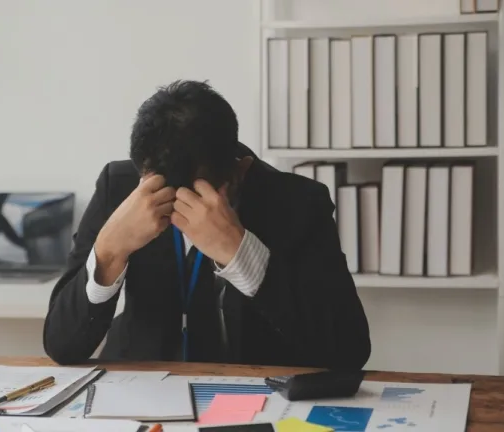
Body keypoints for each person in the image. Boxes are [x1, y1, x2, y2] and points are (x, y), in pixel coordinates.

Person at [43, 80, 370, 369]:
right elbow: (61, 345)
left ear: (238, 171)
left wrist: (241, 254)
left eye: (194, 197)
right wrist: (109, 251)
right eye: (161, 195)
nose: (175, 215)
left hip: (254, 396)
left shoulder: (299, 202)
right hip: (141, 387)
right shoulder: (119, 186)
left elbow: (348, 352)